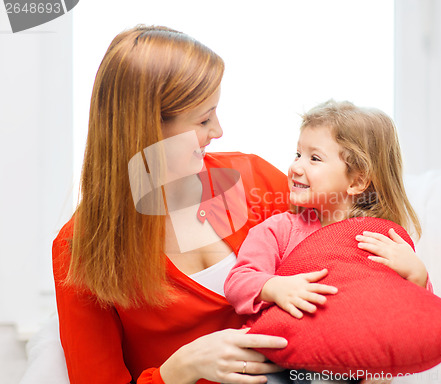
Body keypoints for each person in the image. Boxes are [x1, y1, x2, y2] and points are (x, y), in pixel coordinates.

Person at [52, 25, 294, 384]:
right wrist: (177, 370)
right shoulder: (81, 247)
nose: (218, 130)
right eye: (203, 119)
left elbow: (344, 261)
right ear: (148, 129)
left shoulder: (255, 179)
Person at [224, 99, 431, 348]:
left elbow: (415, 316)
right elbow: (237, 283)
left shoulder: (381, 240)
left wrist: (417, 275)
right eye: (298, 154)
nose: (296, 167)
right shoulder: (278, 230)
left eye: (314, 158)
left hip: (347, 358)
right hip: (280, 357)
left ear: (356, 181)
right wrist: (274, 287)